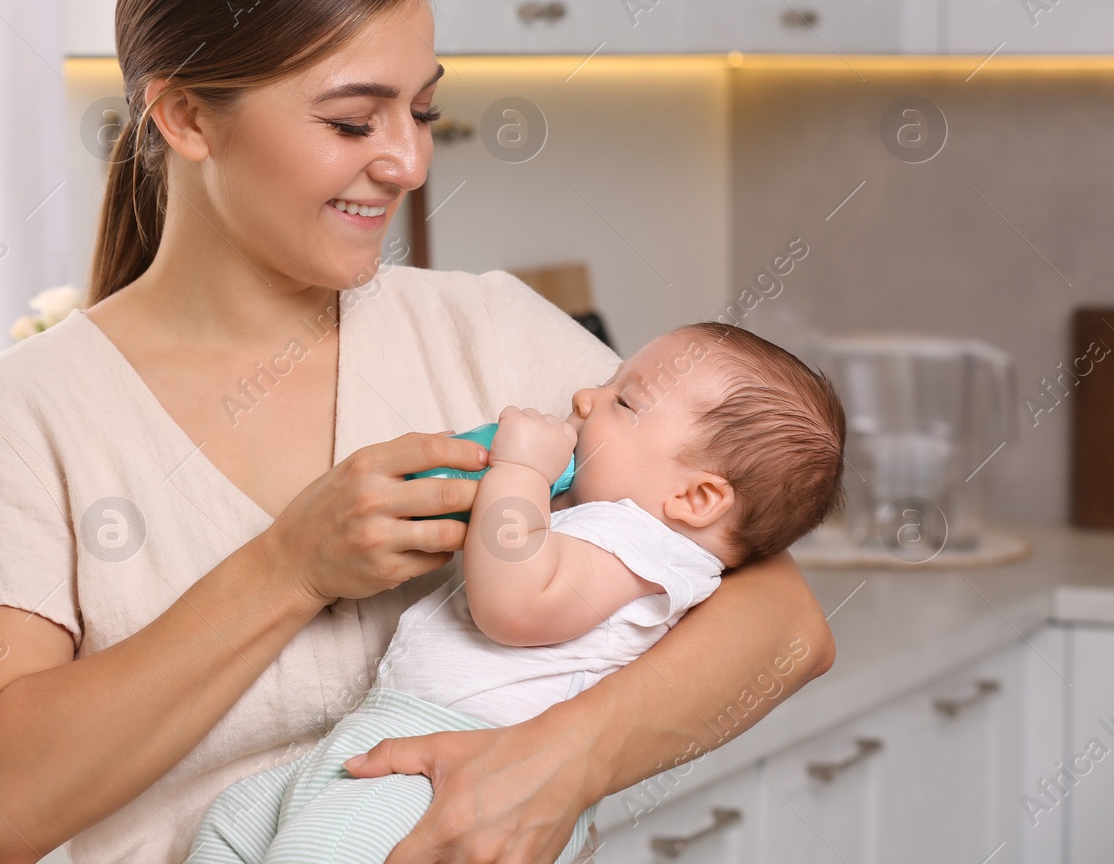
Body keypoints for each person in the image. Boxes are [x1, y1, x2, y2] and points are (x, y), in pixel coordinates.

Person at [0, 0, 836, 864]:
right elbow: (4, 807)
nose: (405, 161)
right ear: (185, 116)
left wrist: (561, 761)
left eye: (423, 111)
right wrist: (288, 566)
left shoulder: (488, 331)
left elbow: (784, 623)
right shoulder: (21, 416)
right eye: (354, 121)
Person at [186, 322, 845, 863]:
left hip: (450, 768)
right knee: (234, 822)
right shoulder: (604, 520)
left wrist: (521, 470)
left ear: (697, 498)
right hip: (389, 738)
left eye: (625, 400)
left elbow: (515, 604)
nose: (586, 397)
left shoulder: (645, 547)